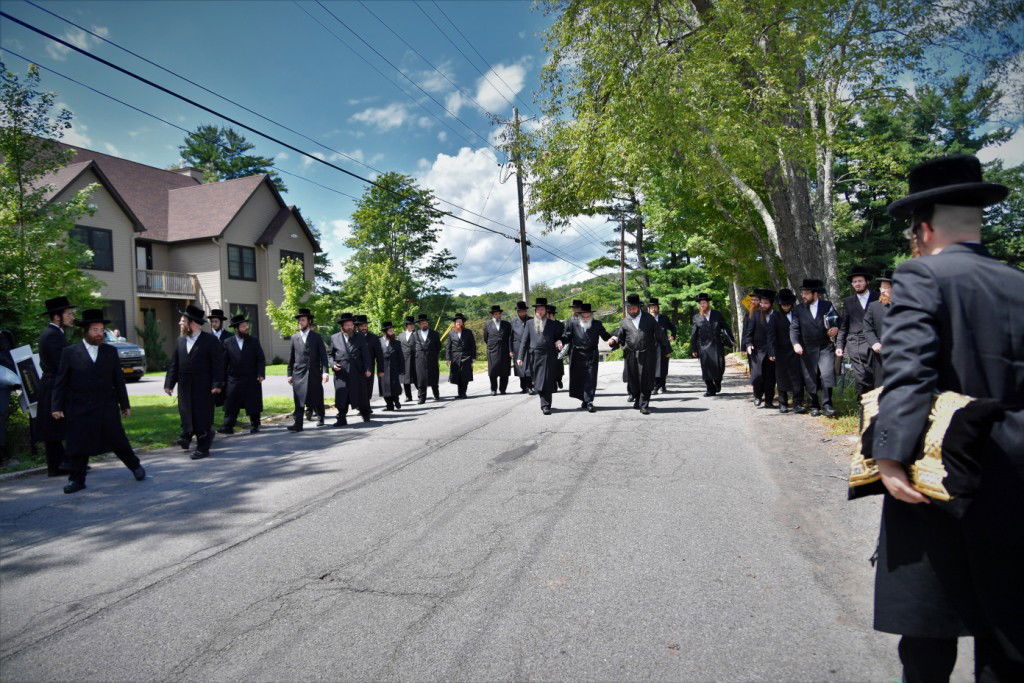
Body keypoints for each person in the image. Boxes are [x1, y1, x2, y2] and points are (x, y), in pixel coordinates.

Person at [870, 154, 1023, 681]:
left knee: (930, 632)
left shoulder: (920, 276)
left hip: (941, 469)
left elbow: (910, 373)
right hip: (1016, 476)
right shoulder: (1018, 283)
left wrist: (888, 455)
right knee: (1007, 632)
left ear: (926, 228)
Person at [51, 309, 146, 493]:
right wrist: (56, 406)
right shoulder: (70, 352)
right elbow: (60, 382)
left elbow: (118, 381)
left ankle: (135, 466)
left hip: (106, 406)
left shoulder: (110, 351)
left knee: (118, 439)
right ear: (85, 331)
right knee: (78, 445)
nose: (99, 334)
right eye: (95, 330)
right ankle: (77, 480)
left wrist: (124, 404)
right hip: (79, 408)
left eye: (101, 330)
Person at [165, 305, 224, 459]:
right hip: (184, 387)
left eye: (183, 320)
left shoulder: (210, 340)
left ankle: (203, 448)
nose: (179, 323)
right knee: (186, 413)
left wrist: (217, 384)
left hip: (203, 387)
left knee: (202, 417)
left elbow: (218, 365)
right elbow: (174, 364)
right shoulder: (180, 340)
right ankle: (187, 436)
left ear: (193, 323)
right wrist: (169, 383)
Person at [609, 293, 670, 415]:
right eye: (629, 308)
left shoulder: (649, 319)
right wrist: (614, 341)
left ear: (639, 307)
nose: (631, 310)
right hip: (631, 354)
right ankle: (637, 398)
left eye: (634, 308)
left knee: (646, 380)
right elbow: (620, 335)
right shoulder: (625, 321)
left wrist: (667, 349)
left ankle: (644, 404)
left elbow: (659, 334)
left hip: (647, 354)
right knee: (634, 380)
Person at [35, 296, 75, 477]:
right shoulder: (52, 335)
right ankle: (59, 465)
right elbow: (60, 365)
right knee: (55, 426)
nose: (72, 316)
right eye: (68, 313)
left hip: (55, 384)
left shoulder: (56, 333)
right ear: (57, 316)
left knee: (59, 426)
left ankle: (65, 462)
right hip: (53, 386)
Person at [790, 279, 839, 417]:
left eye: (806, 293)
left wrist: (835, 328)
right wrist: (795, 343)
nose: (803, 296)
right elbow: (794, 328)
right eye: (802, 293)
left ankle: (827, 405)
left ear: (815, 294)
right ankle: (813, 405)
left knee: (827, 374)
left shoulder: (827, 305)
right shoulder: (798, 309)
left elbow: (836, 320)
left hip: (825, 346)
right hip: (807, 348)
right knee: (810, 377)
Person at [217, 314, 265, 435]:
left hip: (251, 377)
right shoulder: (228, 342)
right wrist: (221, 379)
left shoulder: (253, 340)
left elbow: (260, 359)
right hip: (234, 378)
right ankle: (228, 426)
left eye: (246, 325)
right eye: (243, 326)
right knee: (231, 403)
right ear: (237, 328)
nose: (246, 327)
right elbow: (223, 362)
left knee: (253, 403)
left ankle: (255, 425)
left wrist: (260, 373)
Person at [561, 302, 611, 411]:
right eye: (583, 316)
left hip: (591, 354)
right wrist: (560, 341)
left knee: (590, 377)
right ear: (580, 315)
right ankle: (584, 399)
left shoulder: (597, 324)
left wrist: (612, 339)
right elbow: (567, 336)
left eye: (588, 316)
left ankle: (589, 401)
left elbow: (605, 335)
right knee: (580, 378)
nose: (586, 318)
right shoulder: (573, 324)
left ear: (591, 315)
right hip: (577, 355)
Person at [836, 266, 878, 396]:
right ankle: (862, 405)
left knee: (873, 376)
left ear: (866, 282)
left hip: (874, 343)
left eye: (860, 281)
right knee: (861, 375)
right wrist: (839, 345)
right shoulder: (848, 302)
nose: (857, 284)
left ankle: (873, 406)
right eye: (854, 282)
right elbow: (844, 326)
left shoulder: (877, 297)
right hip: (855, 343)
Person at [286, 307, 328, 431]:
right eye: (299, 320)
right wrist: (289, 374)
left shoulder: (317, 337)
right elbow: (291, 358)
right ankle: (298, 424)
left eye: (303, 320)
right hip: (298, 373)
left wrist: (325, 372)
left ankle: (320, 416)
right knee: (298, 398)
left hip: (314, 372)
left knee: (317, 396)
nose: (300, 322)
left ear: (309, 321)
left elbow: (323, 357)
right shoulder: (294, 337)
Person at [517, 298, 561, 415]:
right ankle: (545, 403)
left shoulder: (552, 324)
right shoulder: (530, 323)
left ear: (546, 310)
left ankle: (546, 405)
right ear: (535, 311)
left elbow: (558, 337)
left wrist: (558, 341)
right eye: (538, 310)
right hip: (535, 356)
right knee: (539, 380)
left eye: (542, 309)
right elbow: (524, 341)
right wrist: (520, 357)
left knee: (547, 380)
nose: (540, 312)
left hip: (549, 355)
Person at [327, 313, 372, 425]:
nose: (349, 327)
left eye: (351, 325)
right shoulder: (334, 337)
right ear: (342, 326)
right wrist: (332, 364)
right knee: (342, 396)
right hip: (341, 373)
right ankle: (341, 418)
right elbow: (330, 355)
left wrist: (367, 368)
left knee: (361, 394)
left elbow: (366, 355)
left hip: (357, 371)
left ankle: (365, 414)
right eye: (347, 325)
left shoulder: (360, 337)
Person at [767, 289, 804, 413]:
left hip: (796, 351)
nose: (786, 307)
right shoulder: (774, 316)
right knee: (781, 377)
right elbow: (771, 335)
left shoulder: (797, 314)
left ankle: (797, 403)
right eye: (784, 305)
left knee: (797, 378)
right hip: (780, 352)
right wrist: (771, 352)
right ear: (780, 304)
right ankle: (783, 403)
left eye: (788, 305)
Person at [690, 293, 733, 397]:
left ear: (708, 303)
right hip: (703, 347)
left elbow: (726, 327)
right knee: (706, 369)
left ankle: (717, 382)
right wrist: (693, 349)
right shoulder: (696, 317)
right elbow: (694, 334)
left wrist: (731, 339)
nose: (702, 305)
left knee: (720, 366)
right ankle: (710, 389)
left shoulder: (717, 314)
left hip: (717, 345)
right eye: (700, 304)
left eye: (704, 303)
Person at [746, 289, 777, 409]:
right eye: (762, 303)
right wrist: (748, 344)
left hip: (772, 353)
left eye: (766, 303)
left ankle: (769, 401)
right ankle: (757, 396)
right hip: (757, 351)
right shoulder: (756, 314)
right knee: (757, 376)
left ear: (771, 304)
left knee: (770, 378)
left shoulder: (777, 316)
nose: (763, 305)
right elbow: (749, 332)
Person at [863, 271, 892, 389]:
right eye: (881, 287)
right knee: (881, 388)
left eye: (886, 287)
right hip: (880, 355)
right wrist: (874, 342)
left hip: (901, 354)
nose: (882, 290)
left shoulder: (906, 306)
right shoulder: (874, 306)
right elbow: (867, 327)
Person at [648, 298, 676, 394]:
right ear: (649, 309)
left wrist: (672, 335)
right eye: (651, 307)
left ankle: (663, 386)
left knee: (664, 367)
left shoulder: (664, 318)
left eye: (655, 307)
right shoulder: (646, 319)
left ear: (658, 308)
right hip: (651, 347)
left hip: (664, 346)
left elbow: (672, 327)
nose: (653, 309)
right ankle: (655, 387)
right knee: (653, 367)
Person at [482, 305, 512, 395]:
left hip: (505, 350)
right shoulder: (487, 325)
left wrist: (510, 350)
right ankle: (493, 389)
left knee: (505, 371)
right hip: (492, 350)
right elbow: (485, 338)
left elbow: (510, 338)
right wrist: (492, 345)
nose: (497, 315)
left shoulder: (507, 324)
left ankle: (503, 389)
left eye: (499, 314)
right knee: (493, 371)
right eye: (495, 314)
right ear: (492, 315)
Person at [445, 313, 476, 399]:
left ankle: (463, 393)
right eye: (457, 321)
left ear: (463, 323)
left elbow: (473, 345)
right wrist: (448, 358)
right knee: (457, 375)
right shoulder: (451, 333)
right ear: (455, 323)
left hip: (466, 356)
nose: (458, 323)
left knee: (465, 375)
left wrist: (473, 357)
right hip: (455, 357)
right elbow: (448, 347)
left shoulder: (468, 332)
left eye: (460, 321)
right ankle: (460, 393)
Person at [355, 314, 383, 411]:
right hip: (356, 368)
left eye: (365, 326)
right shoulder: (353, 337)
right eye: (361, 326)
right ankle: (360, 406)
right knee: (358, 387)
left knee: (368, 387)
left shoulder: (374, 338)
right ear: (357, 327)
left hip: (369, 367)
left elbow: (379, 355)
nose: (364, 328)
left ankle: (367, 405)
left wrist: (381, 370)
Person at [413, 313, 441, 404]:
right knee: (421, 379)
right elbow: (413, 348)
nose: (424, 324)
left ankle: (436, 394)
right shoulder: (415, 334)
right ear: (419, 324)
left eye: (425, 323)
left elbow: (438, 347)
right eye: (422, 323)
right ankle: (422, 398)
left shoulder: (435, 334)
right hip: (420, 360)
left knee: (434, 377)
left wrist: (432, 354)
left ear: (427, 323)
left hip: (432, 359)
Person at [377, 321, 404, 411]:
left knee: (394, 385)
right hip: (382, 368)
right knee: (384, 387)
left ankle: (396, 401)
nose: (392, 332)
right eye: (390, 331)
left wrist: (401, 369)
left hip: (394, 368)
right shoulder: (378, 342)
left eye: (393, 331)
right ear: (385, 332)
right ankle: (389, 405)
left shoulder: (397, 343)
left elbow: (401, 357)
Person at [510, 301, 534, 395]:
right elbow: (510, 337)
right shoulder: (513, 322)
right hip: (517, 348)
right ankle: (523, 387)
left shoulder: (531, 320)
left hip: (528, 347)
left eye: (523, 311)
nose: (522, 313)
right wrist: (510, 350)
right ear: (517, 312)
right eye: (520, 311)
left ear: (526, 311)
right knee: (520, 369)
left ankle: (530, 387)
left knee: (528, 367)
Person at [207, 309, 228, 408]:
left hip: (226, 371)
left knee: (227, 398)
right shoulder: (208, 338)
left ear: (221, 322)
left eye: (216, 321)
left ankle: (229, 418)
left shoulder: (229, 337)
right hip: (212, 372)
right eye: (212, 322)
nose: (214, 324)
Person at [547, 305, 566, 390]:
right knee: (550, 368)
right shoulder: (545, 325)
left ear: (551, 314)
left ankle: (559, 380)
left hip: (558, 349)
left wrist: (560, 341)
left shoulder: (560, 324)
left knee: (558, 367)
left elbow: (564, 336)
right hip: (548, 349)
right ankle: (553, 384)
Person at [399, 315, 417, 402]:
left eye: (413, 324)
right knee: (405, 379)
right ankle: (408, 396)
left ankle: (421, 393)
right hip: (404, 360)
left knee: (417, 377)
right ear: (406, 325)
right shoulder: (401, 335)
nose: (412, 325)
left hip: (414, 359)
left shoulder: (417, 334)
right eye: (410, 324)